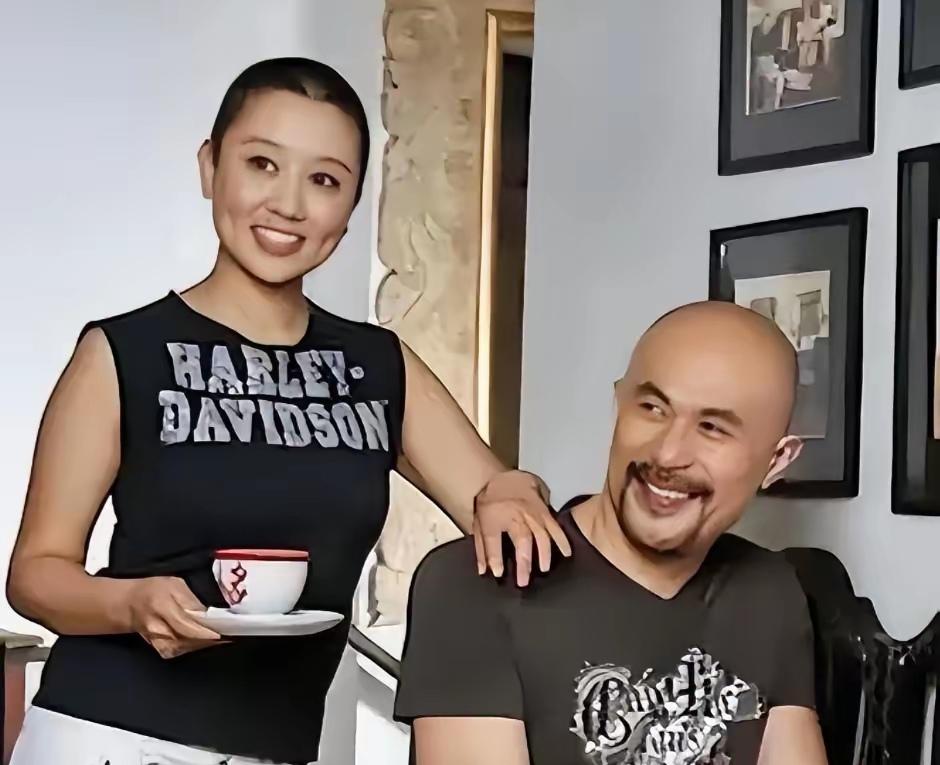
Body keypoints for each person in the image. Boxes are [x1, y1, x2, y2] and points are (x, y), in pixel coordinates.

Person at [6, 58, 571, 765]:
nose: (289, 204)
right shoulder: (122, 353)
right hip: (109, 737)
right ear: (211, 167)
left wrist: (516, 489)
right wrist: (129, 604)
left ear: (352, 204)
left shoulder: (379, 365)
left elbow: (496, 497)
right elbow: (35, 573)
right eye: (262, 164)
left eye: (324, 180)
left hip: (277, 748)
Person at [394, 301, 829, 765]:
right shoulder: (480, 581)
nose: (667, 454)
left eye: (712, 428)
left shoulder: (769, 590)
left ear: (776, 461)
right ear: (618, 404)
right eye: (653, 408)